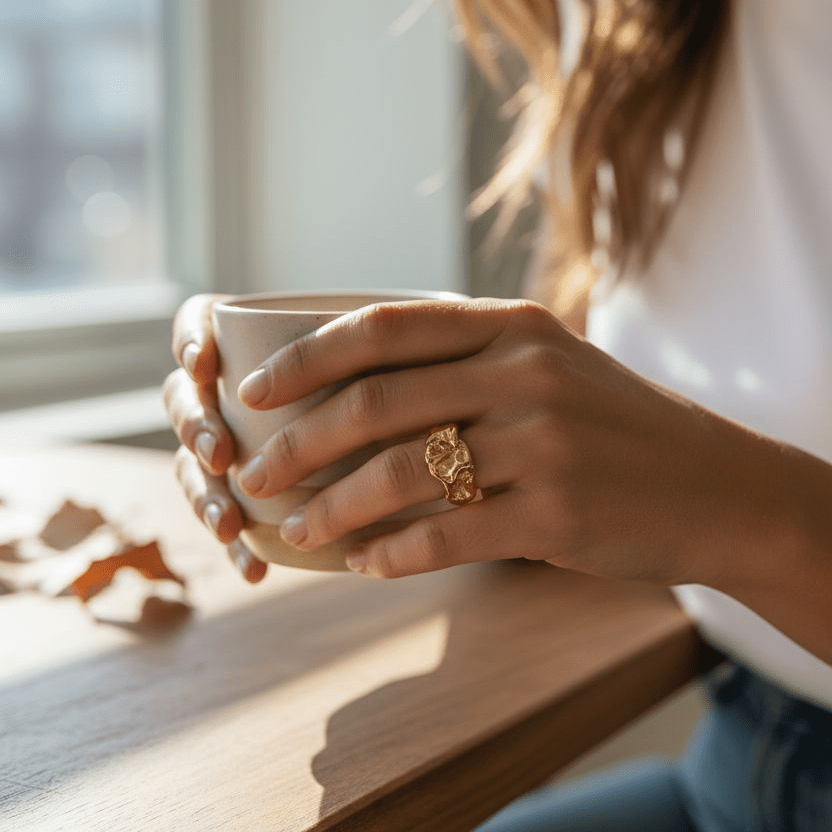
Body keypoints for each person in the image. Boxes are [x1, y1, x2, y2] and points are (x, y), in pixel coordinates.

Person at [163, 0, 832, 828]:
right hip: (744, 754)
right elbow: (598, 461)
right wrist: (260, 411)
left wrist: (747, 512)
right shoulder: (624, 27)